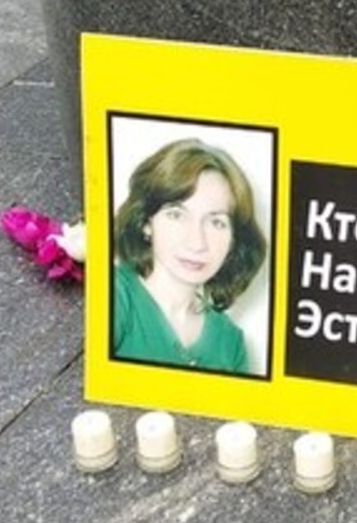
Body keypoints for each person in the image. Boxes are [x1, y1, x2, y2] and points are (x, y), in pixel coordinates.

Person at [113, 139, 267, 374]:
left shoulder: (231, 342)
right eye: (176, 215)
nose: (197, 242)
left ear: (234, 241)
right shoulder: (115, 295)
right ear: (146, 223)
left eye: (216, 222)